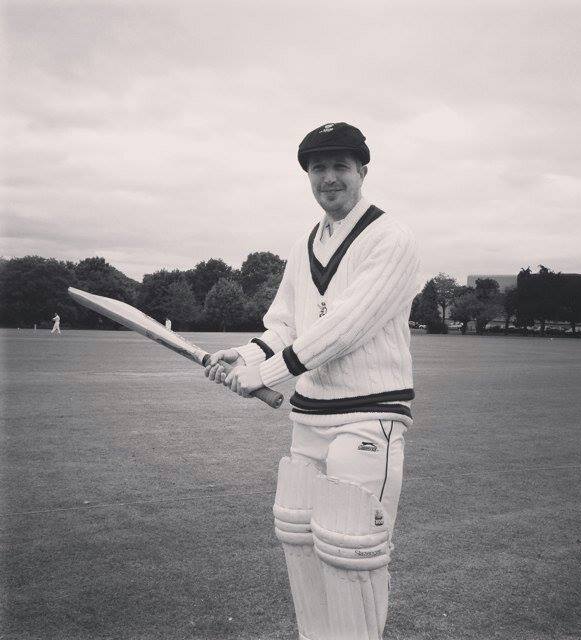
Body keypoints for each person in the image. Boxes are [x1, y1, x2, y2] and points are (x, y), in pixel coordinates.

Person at [205, 122, 419, 640]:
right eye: (318, 168)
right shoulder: (306, 244)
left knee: (353, 558)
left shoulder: (391, 240)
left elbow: (343, 329)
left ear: (362, 171)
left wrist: (266, 373)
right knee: (301, 546)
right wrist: (246, 352)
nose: (329, 178)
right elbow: (286, 322)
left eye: (340, 166)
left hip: (369, 418)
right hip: (309, 419)